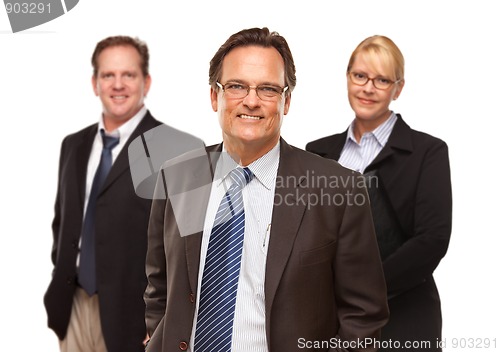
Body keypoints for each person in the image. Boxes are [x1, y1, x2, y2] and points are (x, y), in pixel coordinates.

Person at [144, 27, 389, 352]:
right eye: (236, 86)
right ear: (215, 96)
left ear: (286, 101)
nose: (251, 101)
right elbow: (158, 288)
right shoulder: (177, 178)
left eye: (268, 89)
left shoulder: (338, 190)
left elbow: (363, 317)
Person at [43, 35, 203, 352]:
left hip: (136, 320)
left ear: (146, 81)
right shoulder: (73, 145)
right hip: (72, 309)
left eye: (128, 75)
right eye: (108, 75)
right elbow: (63, 224)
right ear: (95, 83)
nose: (118, 85)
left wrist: (166, 320)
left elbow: (194, 252)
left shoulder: (180, 149)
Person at [306, 35, 452, 351]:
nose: (368, 88)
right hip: (329, 322)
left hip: (403, 319)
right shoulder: (317, 153)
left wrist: (360, 291)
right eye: (360, 76)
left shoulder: (428, 152)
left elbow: (432, 240)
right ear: (347, 78)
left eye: (382, 80)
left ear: (398, 88)